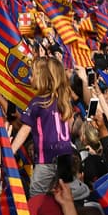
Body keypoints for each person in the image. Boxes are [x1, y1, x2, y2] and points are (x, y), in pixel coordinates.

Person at [11, 57, 78, 197]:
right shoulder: (64, 100)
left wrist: (11, 150)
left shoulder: (37, 103)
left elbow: (25, 129)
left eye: (32, 75)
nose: (29, 78)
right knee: (65, 192)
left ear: (42, 78)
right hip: (65, 155)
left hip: (46, 159)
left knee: (37, 194)